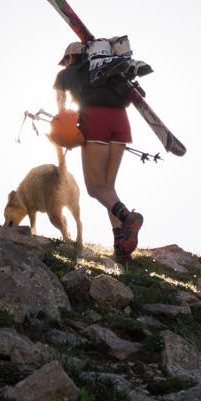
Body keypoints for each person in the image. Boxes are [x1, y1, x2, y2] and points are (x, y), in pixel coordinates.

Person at [54, 41, 145, 263]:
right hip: (121, 121)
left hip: (95, 120)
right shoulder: (103, 69)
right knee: (108, 189)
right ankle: (120, 245)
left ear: (68, 58)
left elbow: (61, 105)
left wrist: (64, 127)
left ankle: (128, 218)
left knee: (95, 189)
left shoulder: (65, 74)